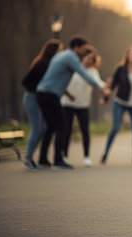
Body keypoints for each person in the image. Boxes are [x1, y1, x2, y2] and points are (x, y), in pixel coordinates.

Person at [36, 35, 110, 170]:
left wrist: (68, 93)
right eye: (83, 48)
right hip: (50, 94)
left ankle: (42, 160)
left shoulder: (62, 56)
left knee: (51, 127)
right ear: (76, 47)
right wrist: (101, 87)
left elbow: (59, 77)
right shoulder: (71, 57)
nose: (84, 51)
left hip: (42, 93)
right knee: (62, 126)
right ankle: (58, 161)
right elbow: (83, 74)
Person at [100, 44, 132, 164]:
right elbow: (112, 84)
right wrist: (105, 98)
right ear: (127, 55)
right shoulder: (120, 68)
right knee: (116, 128)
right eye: (131, 52)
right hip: (120, 102)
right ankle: (105, 154)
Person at [21, 39, 63, 170]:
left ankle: (37, 157)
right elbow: (26, 81)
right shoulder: (44, 63)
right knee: (37, 128)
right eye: (61, 49)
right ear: (55, 50)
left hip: (37, 97)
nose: (63, 52)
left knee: (44, 127)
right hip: (32, 97)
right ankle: (28, 158)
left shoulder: (48, 63)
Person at [60, 46, 105, 167]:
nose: (89, 61)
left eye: (92, 59)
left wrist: (106, 86)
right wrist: (68, 94)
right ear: (82, 57)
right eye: (88, 58)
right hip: (68, 103)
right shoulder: (73, 68)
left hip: (83, 104)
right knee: (67, 130)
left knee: (85, 130)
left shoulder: (92, 71)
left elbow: (98, 83)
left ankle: (86, 156)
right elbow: (63, 82)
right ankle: (64, 156)